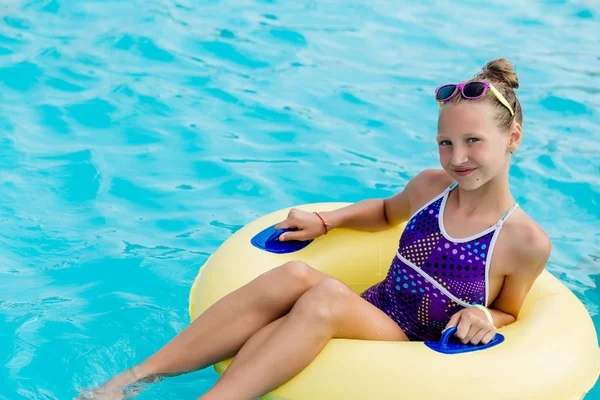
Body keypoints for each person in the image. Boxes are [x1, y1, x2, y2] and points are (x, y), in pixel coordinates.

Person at [80, 58, 551, 400]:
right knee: (296, 276)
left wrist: (485, 317)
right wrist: (327, 221)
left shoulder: (524, 241)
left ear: (512, 139)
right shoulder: (433, 187)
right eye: (445, 143)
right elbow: (388, 211)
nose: (456, 158)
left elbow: (509, 311)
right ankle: (131, 380)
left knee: (323, 298)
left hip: (413, 343)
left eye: (473, 141)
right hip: (377, 309)